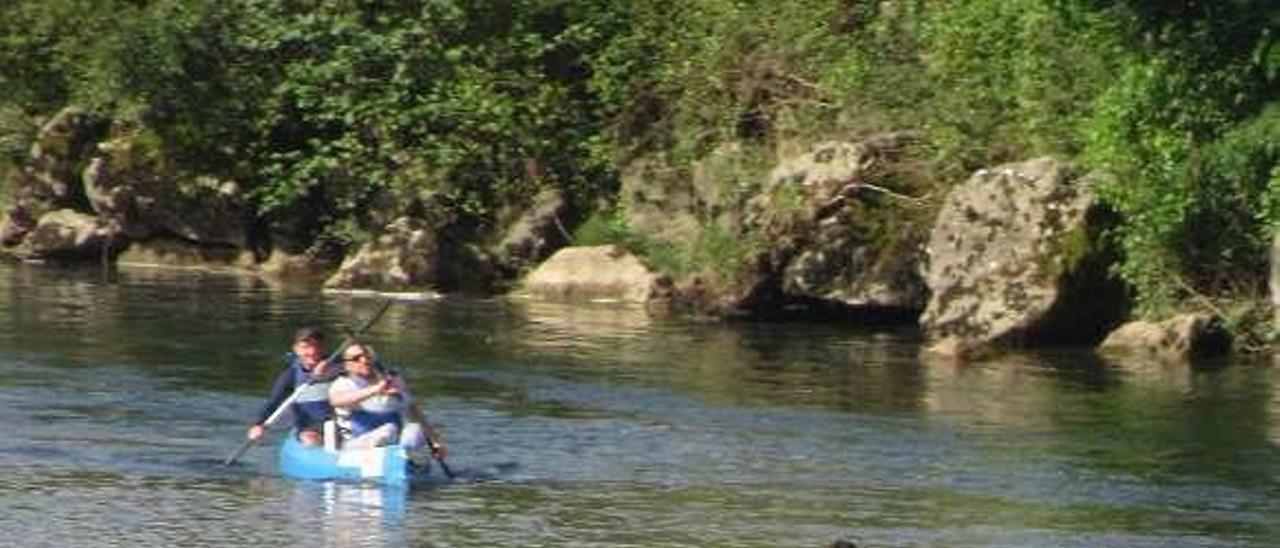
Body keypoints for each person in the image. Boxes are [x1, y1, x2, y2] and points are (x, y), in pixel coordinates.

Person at [328, 343, 447, 461]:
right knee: (389, 430)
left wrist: (435, 441)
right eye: (356, 358)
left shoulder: (393, 380)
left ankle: (405, 459)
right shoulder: (343, 383)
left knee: (416, 430)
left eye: (367, 356)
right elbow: (336, 401)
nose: (364, 360)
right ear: (347, 365)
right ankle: (396, 458)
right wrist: (376, 390)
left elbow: (414, 412)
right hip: (355, 445)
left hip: (392, 444)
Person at [245, 327, 336, 446]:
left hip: (342, 423)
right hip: (311, 426)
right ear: (296, 349)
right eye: (306, 347)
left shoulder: (340, 366)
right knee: (310, 440)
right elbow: (273, 402)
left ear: (324, 348)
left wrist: (331, 371)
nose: (313, 351)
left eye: (317, 346)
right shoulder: (291, 375)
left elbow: (357, 371)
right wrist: (258, 424)